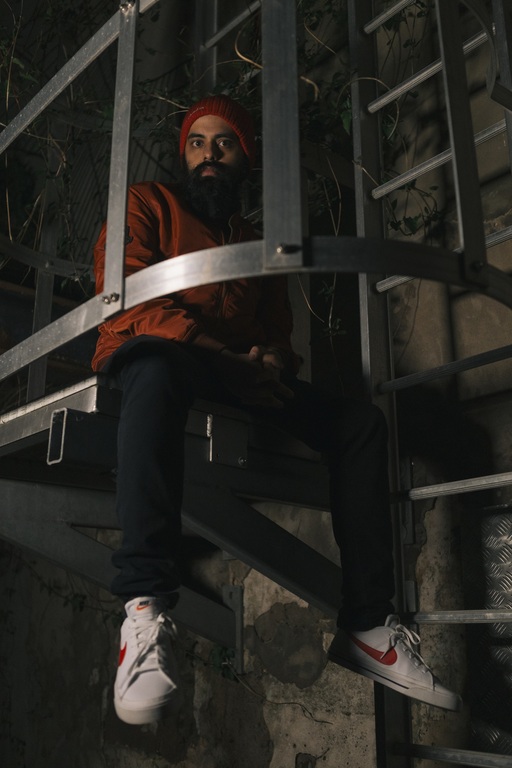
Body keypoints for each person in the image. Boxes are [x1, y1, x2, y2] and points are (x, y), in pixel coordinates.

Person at [92, 94, 461, 725]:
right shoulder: (146, 203)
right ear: (185, 155)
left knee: (360, 425)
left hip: (233, 376)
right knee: (153, 367)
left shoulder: (256, 245)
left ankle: (368, 626)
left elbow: (281, 337)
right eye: (198, 143)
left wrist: (268, 365)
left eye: (225, 143)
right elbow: (127, 303)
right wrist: (225, 357)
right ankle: (144, 610)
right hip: (159, 350)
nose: (209, 153)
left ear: (244, 158)